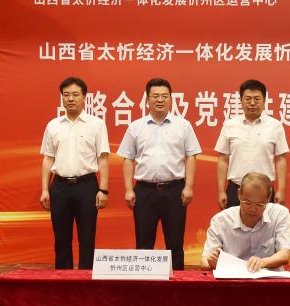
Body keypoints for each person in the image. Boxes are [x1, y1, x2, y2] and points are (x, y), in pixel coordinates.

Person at [119, 78, 201, 270]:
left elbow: (191, 156)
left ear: (171, 99)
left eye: (164, 96)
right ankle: (144, 282)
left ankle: (178, 282)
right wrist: (129, 189)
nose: (160, 100)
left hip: (174, 190)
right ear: (147, 100)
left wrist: (189, 187)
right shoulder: (136, 127)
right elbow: (128, 159)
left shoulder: (183, 126)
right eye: (155, 96)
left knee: (175, 243)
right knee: (143, 242)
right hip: (144, 191)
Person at [39, 76, 110, 269]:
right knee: (61, 238)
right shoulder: (53, 125)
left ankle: (86, 277)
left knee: (87, 237)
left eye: (75, 94)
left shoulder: (96, 124)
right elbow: (48, 158)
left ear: (85, 97)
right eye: (66, 95)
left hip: (87, 186)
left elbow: (103, 158)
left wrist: (103, 190)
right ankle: (63, 277)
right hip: (59, 186)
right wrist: (45, 189)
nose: (70, 99)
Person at [214, 79, 289, 209]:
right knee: (234, 222)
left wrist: (281, 190)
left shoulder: (275, 126)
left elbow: (280, 159)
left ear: (264, 101)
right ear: (241, 101)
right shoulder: (229, 125)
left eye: (257, 99)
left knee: (265, 222)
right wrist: (221, 191)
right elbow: (223, 159)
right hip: (236, 188)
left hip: (264, 189)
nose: (252, 103)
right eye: (248, 99)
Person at [200, 173, 290, 272]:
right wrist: (212, 263)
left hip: (270, 276)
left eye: (259, 204)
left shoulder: (279, 214)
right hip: (233, 278)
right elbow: (204, 261)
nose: (253, 209)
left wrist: (262, 262)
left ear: (268, 198)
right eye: (247, 203)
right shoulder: (221, 220)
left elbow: (285, 254)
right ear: (239, 194)